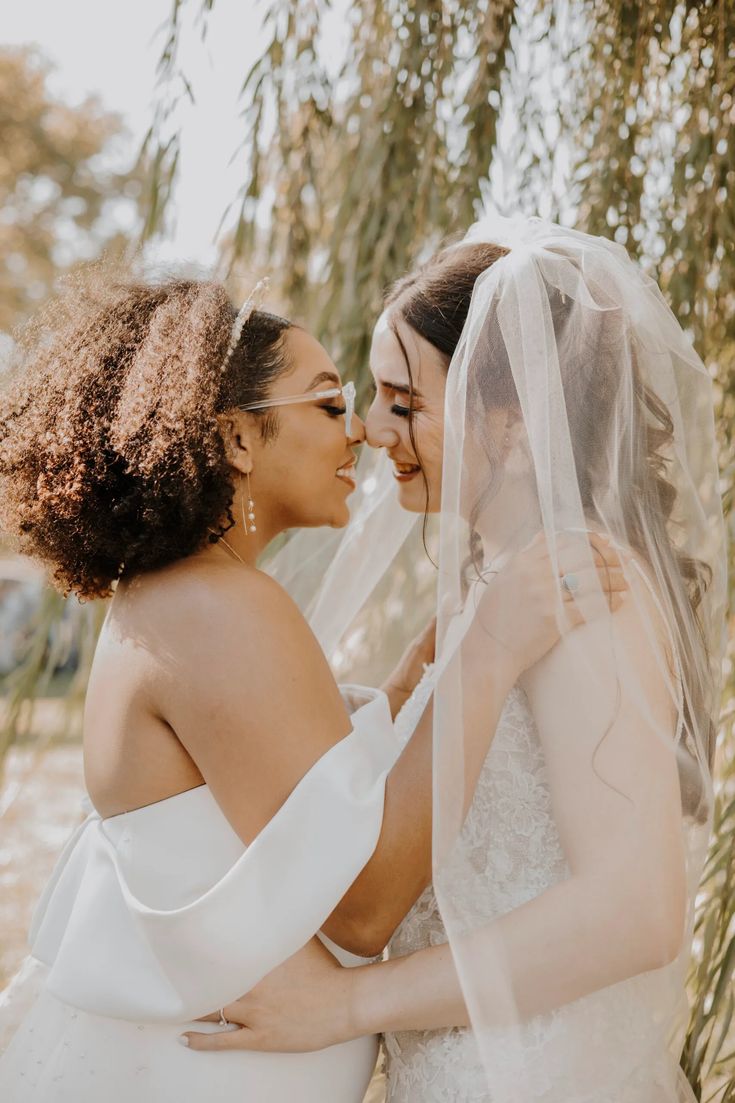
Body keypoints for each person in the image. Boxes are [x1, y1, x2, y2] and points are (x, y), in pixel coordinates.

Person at [0, 264, 621, 1101]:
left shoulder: (181, 600)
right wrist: (490, 650)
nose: (361, 432)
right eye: (330, 403)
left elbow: (284, 818)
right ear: (239, 438)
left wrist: (403, 691)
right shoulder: (216, 608)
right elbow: (360, 904)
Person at [183, 217, 727, 1103]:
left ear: (511, 425)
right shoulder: (505, 592)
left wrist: (349, 1002)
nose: (367, 426)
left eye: (405, 400)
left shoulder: (581, 588)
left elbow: (635, 912)